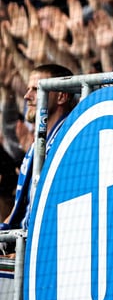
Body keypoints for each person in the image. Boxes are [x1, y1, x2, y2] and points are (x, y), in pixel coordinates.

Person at [0, 64, 77, 230]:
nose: (27, 96)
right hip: (22, 241)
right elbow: (18, 209)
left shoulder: (68, 142)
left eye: (37, 89)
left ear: (61, 97)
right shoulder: (38, 144)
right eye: (28, 89)